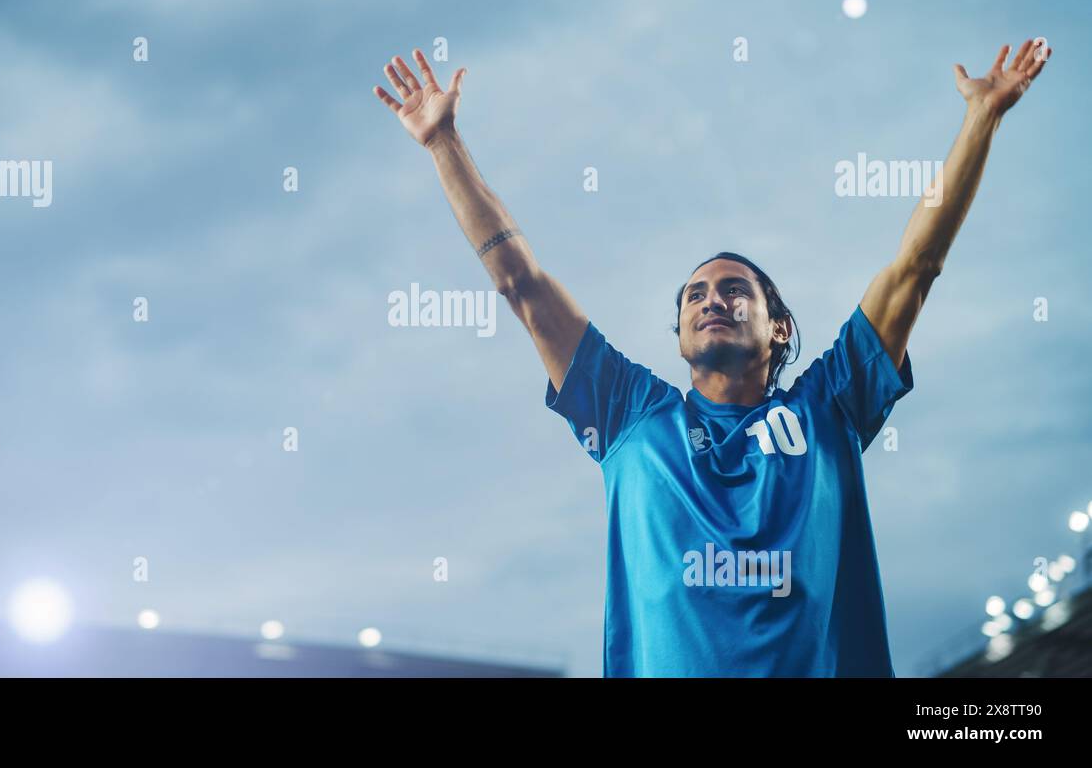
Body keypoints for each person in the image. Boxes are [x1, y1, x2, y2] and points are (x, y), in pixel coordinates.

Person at [372, 39, 1052, 676]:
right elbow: (521, 284)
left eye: (734, 289)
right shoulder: (628, 411)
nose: (711, 300)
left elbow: (915, 267)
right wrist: (443, 143)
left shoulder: (831, 405)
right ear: (678, 335)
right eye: (695, 294)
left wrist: (981, 121)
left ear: (781, 328)